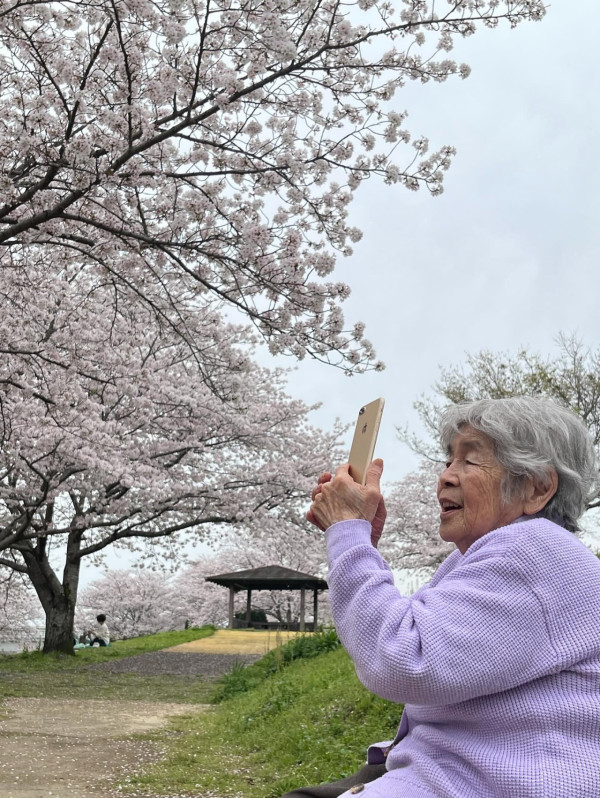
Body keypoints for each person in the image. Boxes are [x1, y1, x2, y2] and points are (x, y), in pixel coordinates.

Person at [283, 397, 600, 798]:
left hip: (493, 782)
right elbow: (412, 631)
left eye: (469, 461)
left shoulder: (531, 550)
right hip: (456, 771)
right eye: (448, 460)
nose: (445, 477)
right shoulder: (503, 555)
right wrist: (363, 543)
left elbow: (404, 658)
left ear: (537, 487)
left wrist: (349, 536)